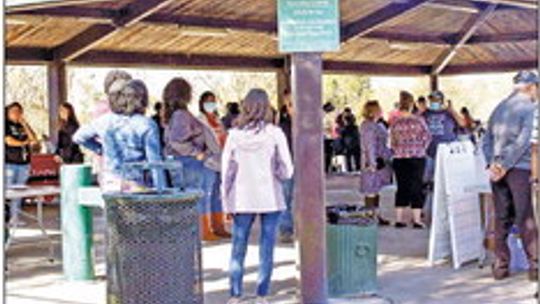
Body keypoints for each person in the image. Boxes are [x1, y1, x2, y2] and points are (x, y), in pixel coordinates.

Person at [221, 88, 293, 304]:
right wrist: (277, 173)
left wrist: (226, 202)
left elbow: (226, 173)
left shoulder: (233, 136)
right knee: (267, 246)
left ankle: (235, 295)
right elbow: (288, 169)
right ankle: (261, 295)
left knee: (238, 246)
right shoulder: (275, 133)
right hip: (270, 197)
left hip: (242, 198)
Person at [482, 70, 538, 281]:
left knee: (501, 218)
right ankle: (535, 266)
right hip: (519, 169)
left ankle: (500, 266)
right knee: (525, 217)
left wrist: (492, 164)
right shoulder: (531, 108)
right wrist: (504, 165)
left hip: (497, 170)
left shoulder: (498, 108)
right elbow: (524, 141)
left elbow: (486, 139)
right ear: (532, 87)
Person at [75, 79, 164, 192]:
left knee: (112, 209)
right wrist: (161, 190)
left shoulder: (104, 121)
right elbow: (154, 162)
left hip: (110, 182)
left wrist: (99, 149)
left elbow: (78, 137)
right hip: (137, 183)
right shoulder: (147, 124)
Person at [162, 78, 222, 241]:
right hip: (189, 162)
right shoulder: (182, 115)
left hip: (182, 161)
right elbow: (177, 141)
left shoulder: (173, 115)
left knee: (190, 198)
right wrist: (196, 152)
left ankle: (195, 232)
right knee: (196, 198)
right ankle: (201, 232)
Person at [390, 91, 431, 228]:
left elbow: (392, 142)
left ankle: (399, 219)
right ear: (412, 104)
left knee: (402, 187)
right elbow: (427, 138)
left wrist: (399, 150)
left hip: (400, 158)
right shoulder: (419, 120)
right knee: (416, 187)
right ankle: (417, 220)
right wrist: (420, 149)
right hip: (417, 157)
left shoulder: (395, 122)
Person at [198, 91, 231, 238]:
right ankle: (205, 229)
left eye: (213, 101)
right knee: (206, 194)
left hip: (221, 161)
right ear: (202, 103)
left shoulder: (218, 120)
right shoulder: (199, 120)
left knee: (217, 195)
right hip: (208, 162)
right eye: (207, 101)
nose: (210, 104)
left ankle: (219, 226)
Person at [422, 90, 466, 184]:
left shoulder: (448, 113)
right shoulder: (425, 113)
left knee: (446, 181)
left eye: (436, 100)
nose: (433, 102)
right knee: (426, 181)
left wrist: (452, 110)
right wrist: (420, 110)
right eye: (432, 100)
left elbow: (462, 123)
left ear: (441, 101)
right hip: (429, 152)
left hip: (446, 153)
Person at [5, 102, 39, 224]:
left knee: (19, 192)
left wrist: (24, 124)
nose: (16, 114)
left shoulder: (22, 125)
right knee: (8, 191)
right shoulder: (5, 124)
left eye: (19, 111)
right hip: (9, 163)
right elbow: (9, 141)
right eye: (13, 111)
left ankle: (15, 217)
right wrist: (25, 143)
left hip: (24, 163)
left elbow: (34, 139)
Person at [359, 101, 391, 225]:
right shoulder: (368, 126)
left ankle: (376, 215)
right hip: (373, 162)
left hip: (380, 161)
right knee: (370, 190)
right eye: (379, 108)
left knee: (376, 189)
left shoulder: (377, 125)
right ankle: (370, 217)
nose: (381, 110)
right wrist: (372, 163)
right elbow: (369, 146)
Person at [277, 90, 295, 243]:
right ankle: (285, 229)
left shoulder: (310, 124)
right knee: (285, 197)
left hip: (306, 165)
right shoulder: (282, 126)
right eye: (290, 104)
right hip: (287, 165)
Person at [323, 102, 337, 173]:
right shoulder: (326, 117)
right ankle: (326, 169)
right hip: (327, 138)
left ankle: (327, 168)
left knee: (327, 154)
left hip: (326, 138)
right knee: (328, 154)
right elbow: (330, 128)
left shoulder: (324, 116)